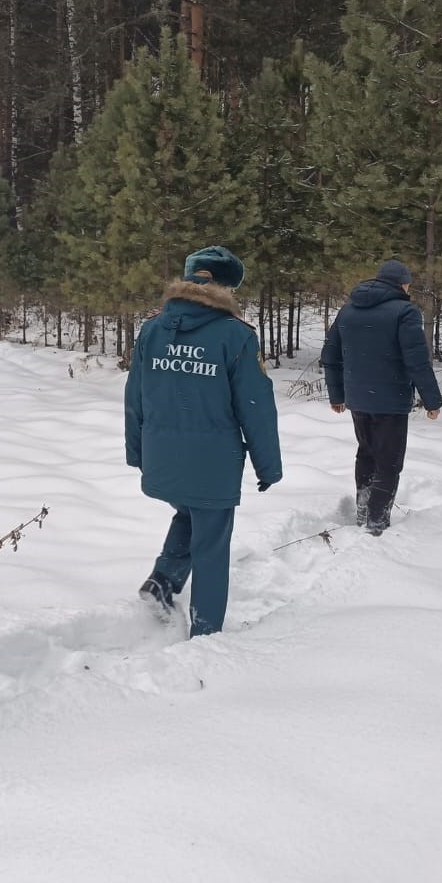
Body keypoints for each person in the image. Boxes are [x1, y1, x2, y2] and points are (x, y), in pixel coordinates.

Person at [125, 246, 282, 636]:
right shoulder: (235, 335)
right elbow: (255, 406)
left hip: (162, 453)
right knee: (212, 542)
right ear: (226, 287)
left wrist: (138, 451)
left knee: (189, 513)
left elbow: (135, 395)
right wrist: (268, 465)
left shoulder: (153, 328)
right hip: (213, 458)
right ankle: (206, 633)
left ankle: (161, 582)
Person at [321, 259, 442, 535]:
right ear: (402, 283)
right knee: (389, 460)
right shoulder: (405, 312)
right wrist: (432, 400)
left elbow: (330, 356)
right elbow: (417, 361)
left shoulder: (348, 311)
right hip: (391, 400)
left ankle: (364, 510)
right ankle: (376, 521)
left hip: (358, 400)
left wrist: (336, 394)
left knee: (366, 453)